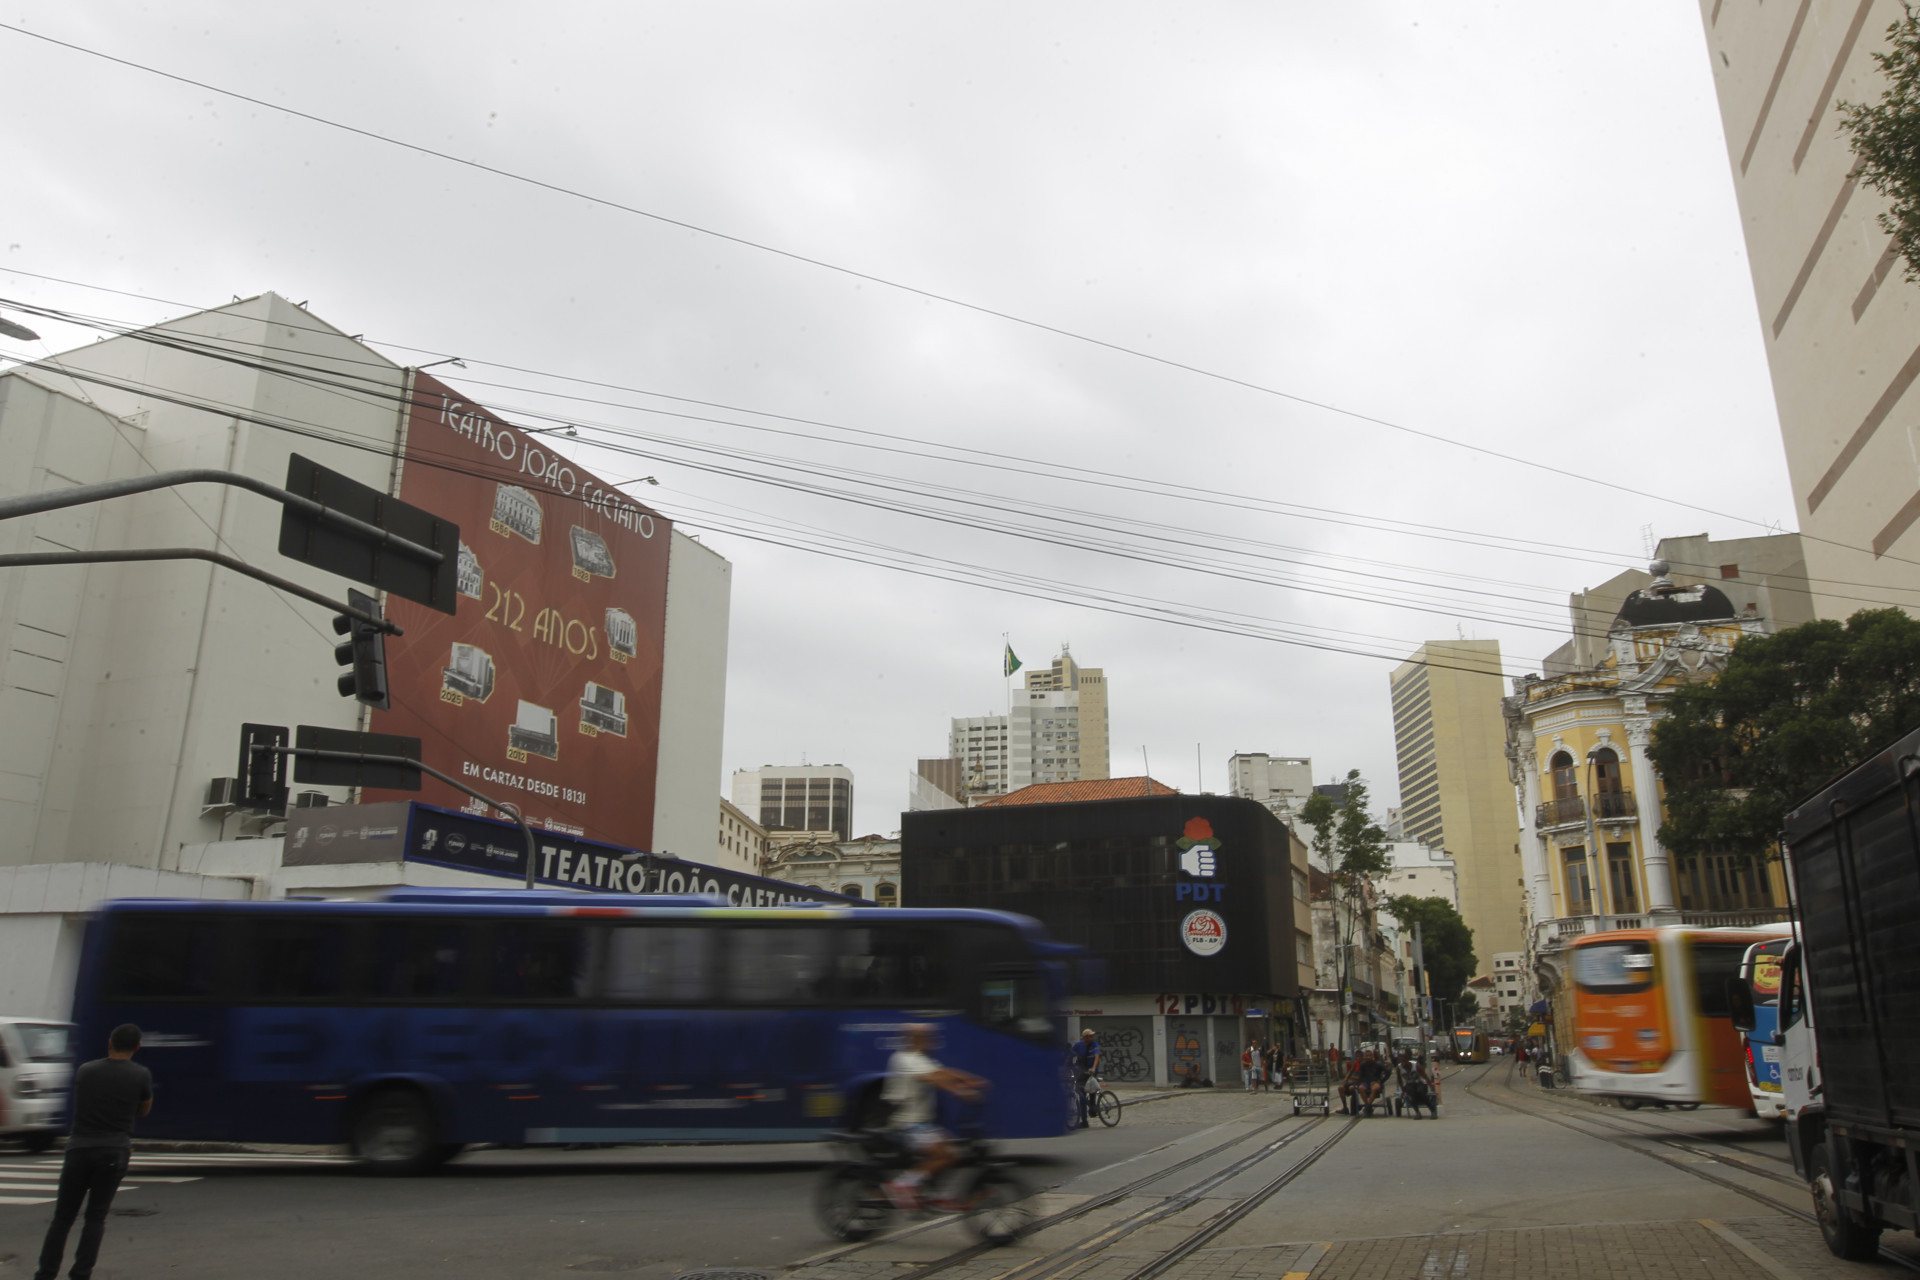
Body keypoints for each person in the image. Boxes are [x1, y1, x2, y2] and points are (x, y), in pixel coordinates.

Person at [35, 1023, 151, 1280]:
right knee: (96, 1217)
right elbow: (144, 1109)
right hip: (114, 1150)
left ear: (110, 1043)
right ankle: (81, 1273)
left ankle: (46, 1273)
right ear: (137, 1047)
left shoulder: (86, 1071)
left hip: (79, 1149)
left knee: (63, 1218)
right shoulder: (141, 1075)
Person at [881, 1024, 987, 1210]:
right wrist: (960, 1091)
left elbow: (944, 1072)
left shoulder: (920, 1059)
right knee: (943, 1154)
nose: (934, 1042)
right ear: (916, 1039)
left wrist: (973, 1080)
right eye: (929, 1038)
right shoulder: (904, 1059)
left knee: (954, 1150)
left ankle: (935, 1193)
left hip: (920, 1125)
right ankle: (902, 1185)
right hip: (906, 1125)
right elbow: (933, 1078)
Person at [1069, 1029, 1103, 1126]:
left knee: (1092, 1091)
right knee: (1080, 1094)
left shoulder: (1094, 1044)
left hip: (1092, 1071)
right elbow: (1070, 1056)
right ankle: (1084, 1121)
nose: (1093, 1037)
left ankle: (1092, 1107)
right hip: (1082, 1071)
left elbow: (1097, 1056)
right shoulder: (1078, 1046)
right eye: (1090, 1036)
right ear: (1085, 1038)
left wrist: (1093, 1068)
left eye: (1092, 1035)